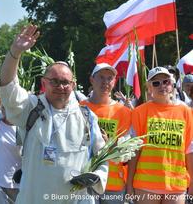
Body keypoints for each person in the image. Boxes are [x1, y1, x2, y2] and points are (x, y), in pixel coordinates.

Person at [0, 24, 108, 204]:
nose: (61, 87)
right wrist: (15, 52)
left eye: (66, 82)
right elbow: (7, 87)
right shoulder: (31, 108)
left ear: (73, 85)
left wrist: (96, 177)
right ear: (44, 83)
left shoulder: (86, 117)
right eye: (54, 81)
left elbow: (102, 155)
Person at [127, 66, 193, 204]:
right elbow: (135, 150)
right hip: (146, 184)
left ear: (172, 84)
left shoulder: (186, 112)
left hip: (176, 184)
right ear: (149, 88)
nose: (162, 85)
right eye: (156, 83)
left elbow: (189, 151)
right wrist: (129, 184)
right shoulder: (139, 112)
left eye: (166, 81)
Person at [80, 63, 131, 203]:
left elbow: (126, 153)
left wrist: (109, 143)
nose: (105, 82)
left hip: (113, 183)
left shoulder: (123, 112)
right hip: (84, 180)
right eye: (101, 77)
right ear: (92, 80)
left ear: (114, 82)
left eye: (110, 78)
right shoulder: (79, 108)